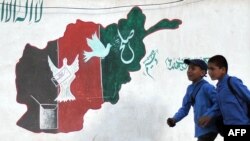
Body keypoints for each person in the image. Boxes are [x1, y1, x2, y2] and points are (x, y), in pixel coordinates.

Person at [167, 59, 220, 141]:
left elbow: (219, 103)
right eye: (188, 69)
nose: (189, 71)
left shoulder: (207, 87)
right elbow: (184, 109)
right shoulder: (189, 89)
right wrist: (174, 119)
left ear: (202, 73)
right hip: (200, 130)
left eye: (193, 69)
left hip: (210, 128)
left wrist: (208, 115)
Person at [207, 55, 250, 125]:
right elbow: (218, 107)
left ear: (223, 70)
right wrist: (208, 115)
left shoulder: (232, 81)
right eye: (208, 69)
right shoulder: (218, 88)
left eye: (212, 69)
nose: (209, 72)